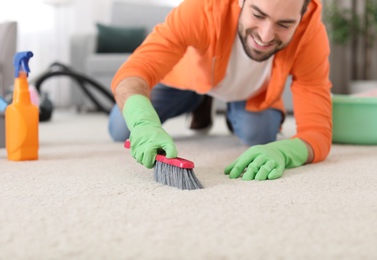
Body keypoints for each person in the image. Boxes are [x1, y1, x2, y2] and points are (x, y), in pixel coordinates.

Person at [108, 0, 332, 181]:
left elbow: (318, 132)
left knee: (261, 136)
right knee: (121, 127)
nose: (265, 36)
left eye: (284, 25)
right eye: (258, 14)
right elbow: (136, 69)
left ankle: (232, 109)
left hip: (250, 94)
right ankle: (200, 101)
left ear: (300, 18)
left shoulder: (311, 35)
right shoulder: (202, 7)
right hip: (188, 81)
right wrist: (144, 123)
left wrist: (284, 152)